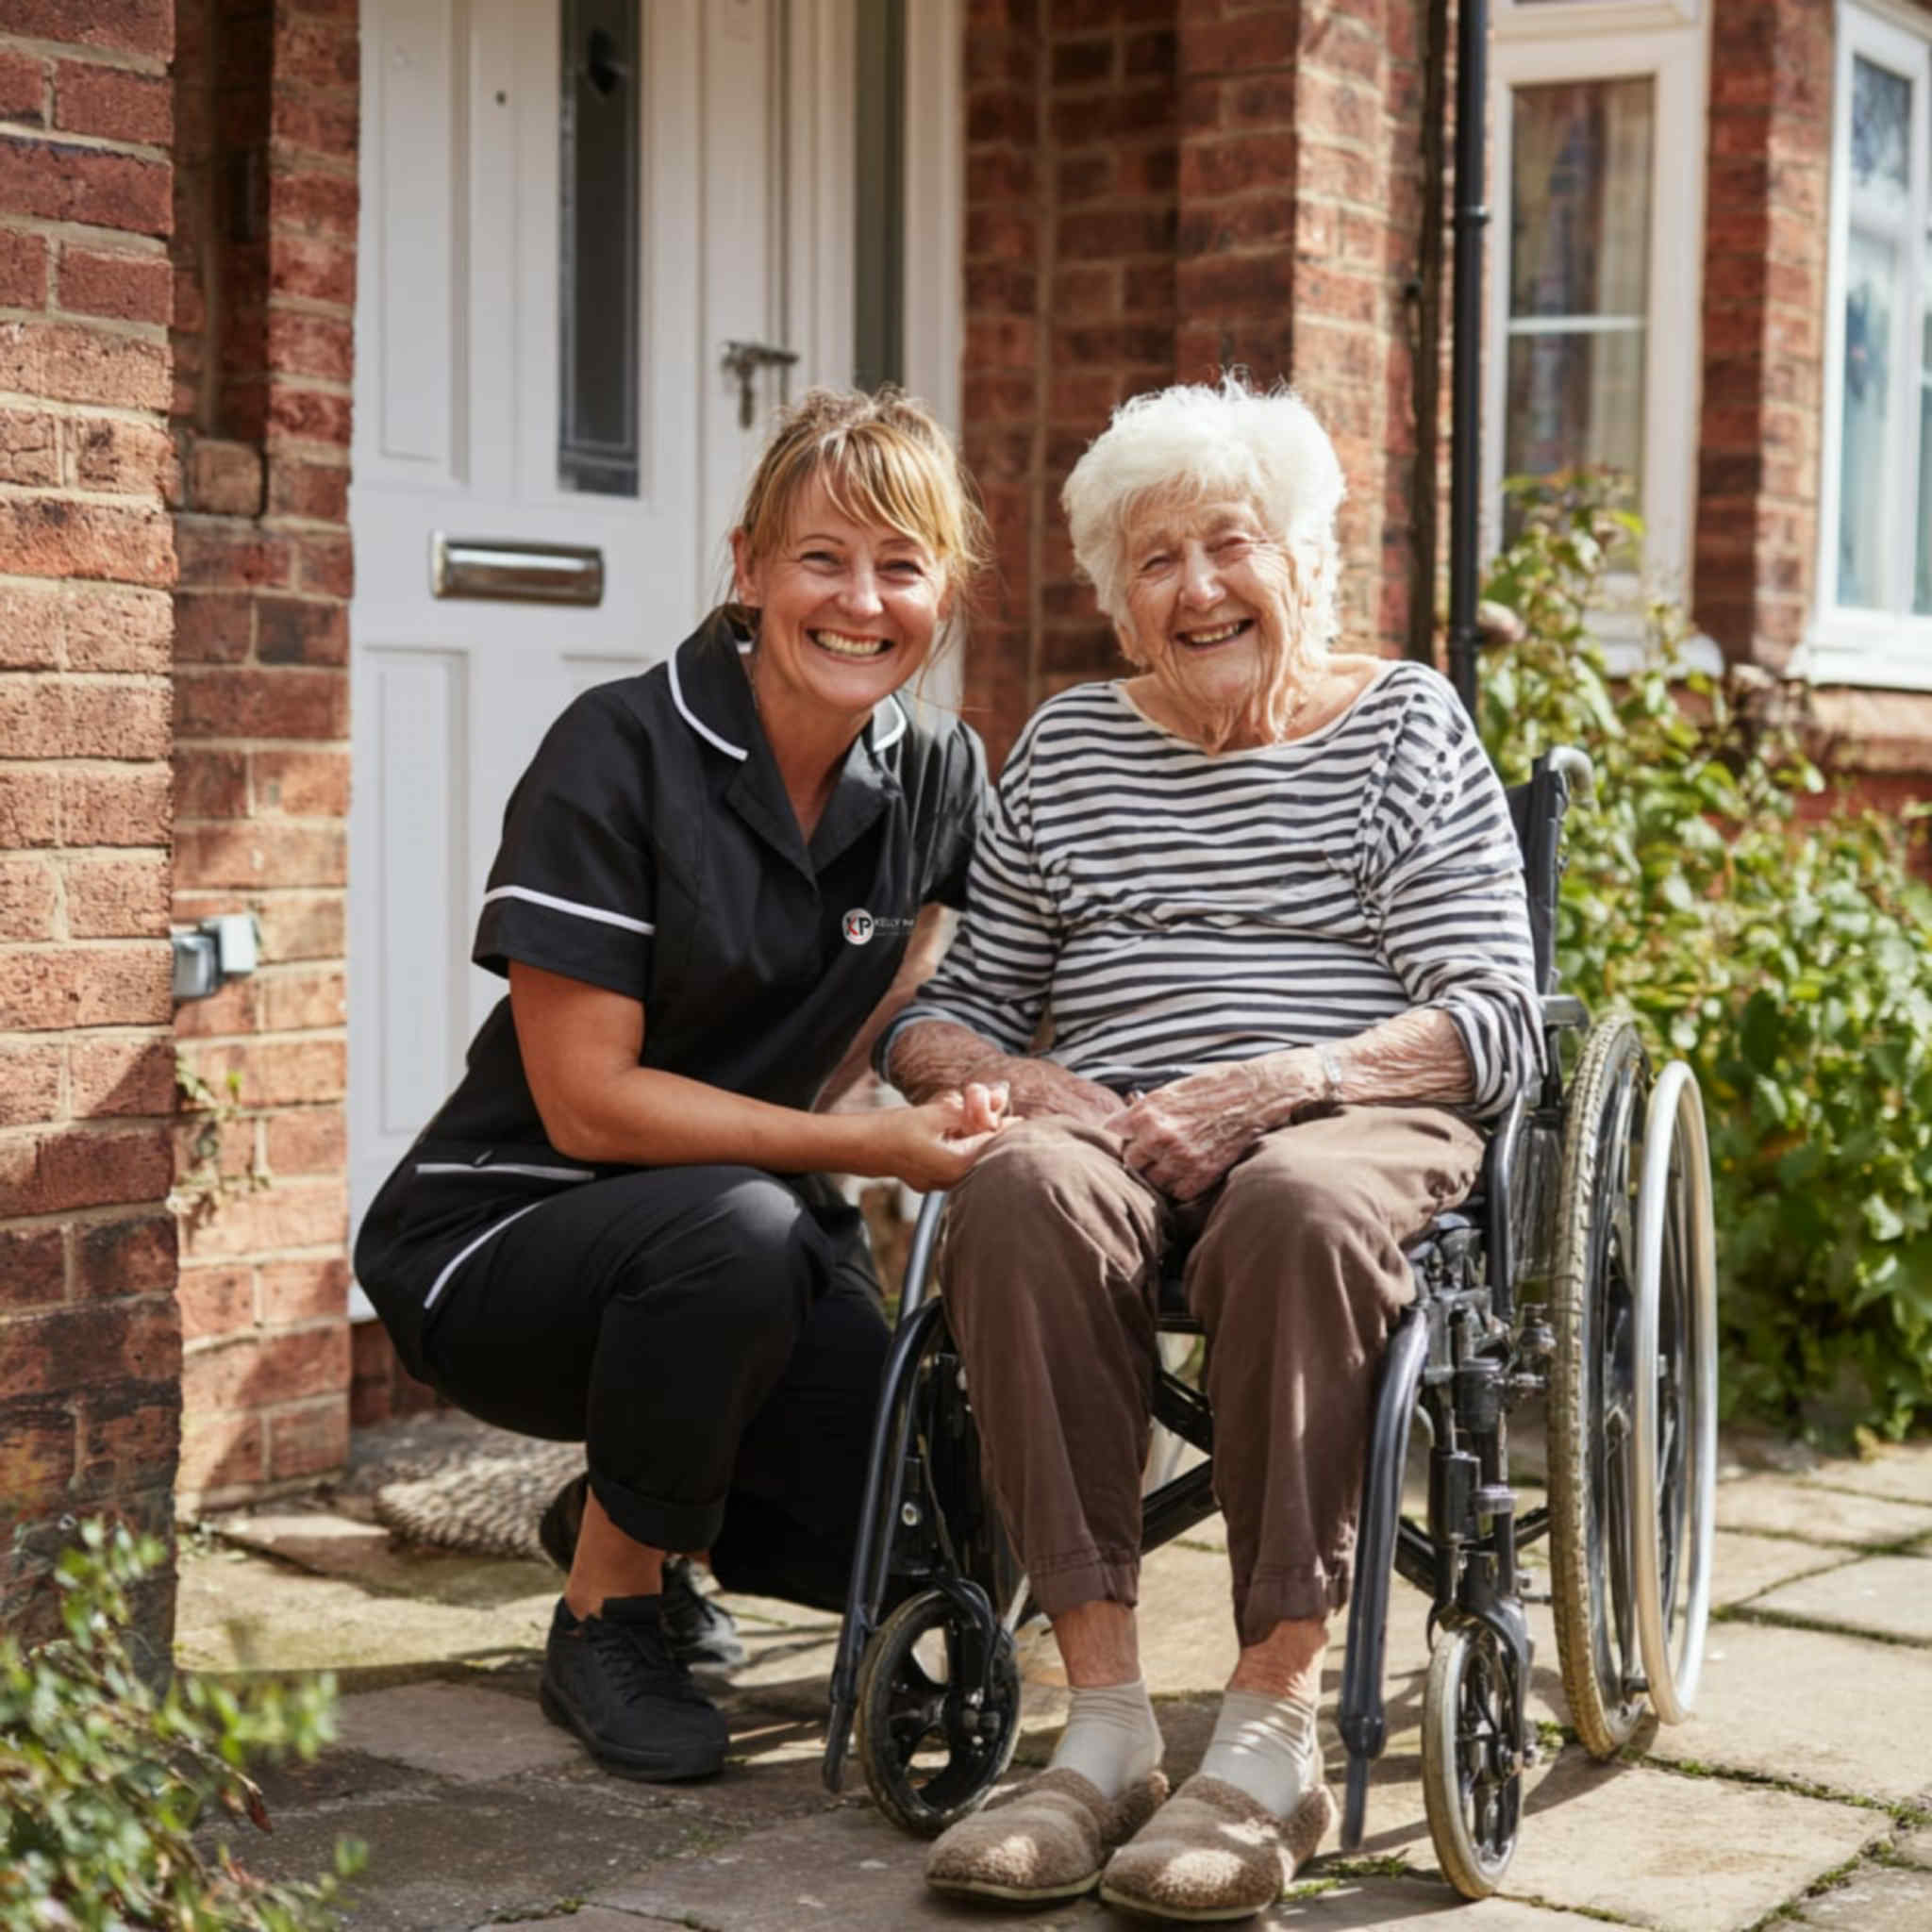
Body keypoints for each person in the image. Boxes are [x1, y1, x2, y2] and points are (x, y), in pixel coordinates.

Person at [882, 375, 1541, 1921]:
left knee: (1299, 1209)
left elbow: (1496, 1023)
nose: (1199, 590)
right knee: (1022, 1192)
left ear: (1302, 562)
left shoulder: (1401, 730)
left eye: (1230, 546)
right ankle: (1104, 1732)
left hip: (1349, 1130)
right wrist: (1020, 1083)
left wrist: (1280, 1087)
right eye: (1155, 563)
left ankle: (1267, 1739)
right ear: (1120, 606)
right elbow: (942, 1011)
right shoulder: (1064, 753)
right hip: (1112, 1142)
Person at [354, 388, 1009, 1786]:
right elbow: (591, 1103)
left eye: (902, 566)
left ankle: (634, 1494)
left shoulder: (940, 772)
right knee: (741, 1229)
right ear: (750, 565)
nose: (861, 599)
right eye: (824, 557)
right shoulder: (620, 749)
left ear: (943, 592)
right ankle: (608, 1608)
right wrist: (871, 1148)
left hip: (745, 1254)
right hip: (503, 1239)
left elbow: (996, 973)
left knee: (954, 1532)